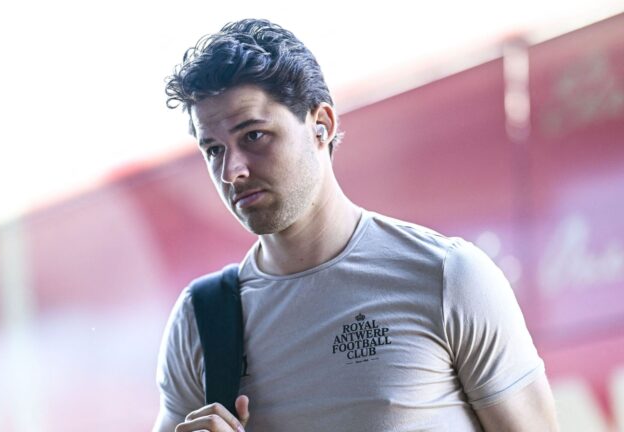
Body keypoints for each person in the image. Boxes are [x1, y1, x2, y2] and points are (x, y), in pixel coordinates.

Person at [154, 18, 559, 432]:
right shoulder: (201, 320)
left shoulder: (447, 276)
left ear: (322, 126)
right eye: (213, 150)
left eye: (253, 136)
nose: (231, 171)